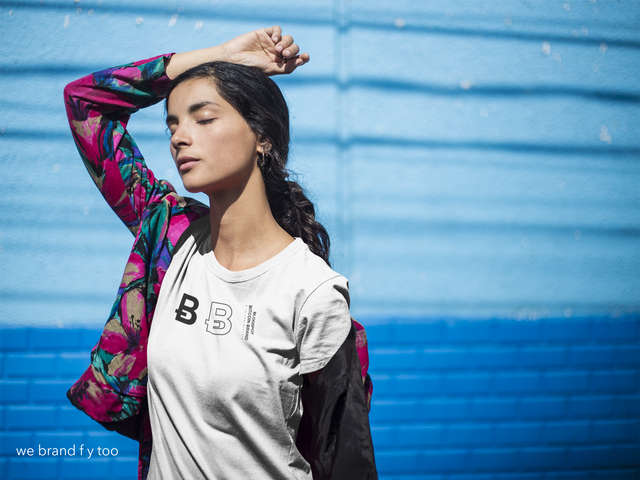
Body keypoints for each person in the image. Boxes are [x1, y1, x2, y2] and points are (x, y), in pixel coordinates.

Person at [64, 27, 376, 479]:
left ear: (262, 136)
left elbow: (345, 459)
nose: (178, 138)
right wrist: (223, 55)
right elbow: (86, 103)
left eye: (202, 118)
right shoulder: (170, 239)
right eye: (172, 124)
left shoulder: (312, 292)